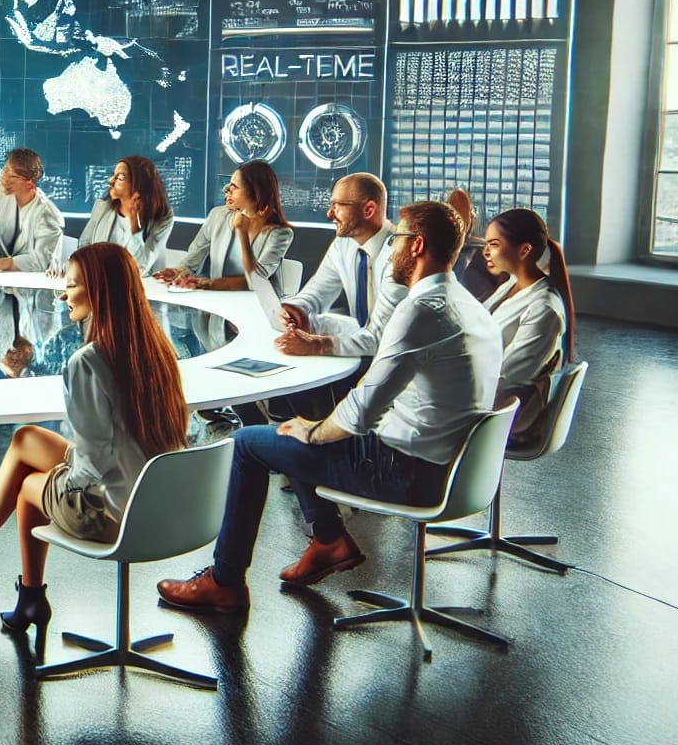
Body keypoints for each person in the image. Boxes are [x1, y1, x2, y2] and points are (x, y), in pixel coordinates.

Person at [155, 202, 503, 614]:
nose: (391, 249)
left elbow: (361, 414)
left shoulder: (421, 311)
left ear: (417, 246)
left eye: (398, 240)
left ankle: (225, 582)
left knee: (251, 442)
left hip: (407, 471)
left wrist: (313, 431)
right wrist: (312, 427)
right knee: (294, 431)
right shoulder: (468, 304)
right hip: (451, 466)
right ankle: (327, 539)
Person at [0, 243, 188, 648]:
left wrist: (54, 477)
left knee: (28, 487)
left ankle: (28, 593)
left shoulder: (87, 362)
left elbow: (90, 469)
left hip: (115, 513)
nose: (62, 295)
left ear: (99, 291)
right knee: (26, 439)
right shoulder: (158, 352)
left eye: (71, 286)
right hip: (161, 502)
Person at [270, 174, 409, 420]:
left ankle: (322, 435)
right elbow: (316, 293)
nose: (329, 213)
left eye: (338, 206)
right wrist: (296, 309)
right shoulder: (343, 244)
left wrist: (315, 344)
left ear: (368, 209)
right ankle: (308, 428)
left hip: (392, 368)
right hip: (362, 349)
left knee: (306, 361)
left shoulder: (398, 257)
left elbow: (380, 340)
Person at [480, 208, 575, 442]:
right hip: (484, 389)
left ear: (524, 250)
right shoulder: (511, 286)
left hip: (501, 407)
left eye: (493, 244)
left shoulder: (544, 309)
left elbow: (510, 374)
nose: (485, 252)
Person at [155, 160, 293, 291]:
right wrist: (179, 271)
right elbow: (195, 256)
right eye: (228, 187)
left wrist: (242, 233)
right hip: (218, 302)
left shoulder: (280, 234)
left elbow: (256, 281)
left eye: (234, 188)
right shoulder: (217, 216)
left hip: (258, 308)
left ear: (256, 194)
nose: (227, 192)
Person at [77, 156, 175, 275]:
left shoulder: (162, 217)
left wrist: (135, 228)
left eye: (120, 178)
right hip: (99, 282)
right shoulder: (103, 206)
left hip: (142, 287)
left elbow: (139, 267)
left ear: (138, 186)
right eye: (114, 175)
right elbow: (84, 245)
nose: (110, 180)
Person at [0, 148, 64, 274]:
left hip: (29, 288)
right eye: (5, 170)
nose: (3, 178)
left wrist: (1, 263)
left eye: (13, 176)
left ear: (30, 184)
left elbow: (41, 261)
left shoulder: (48, 215)